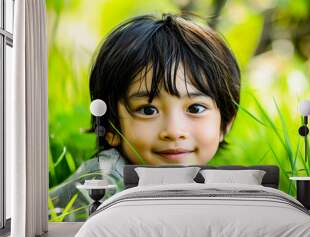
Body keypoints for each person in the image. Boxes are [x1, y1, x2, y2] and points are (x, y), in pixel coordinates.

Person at [50, 13, 241, 220]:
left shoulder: (206, 186)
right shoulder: (105, 184)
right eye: (148, 110)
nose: (174, 131)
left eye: (195, 108)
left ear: (225, 123)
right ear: (112, 127)